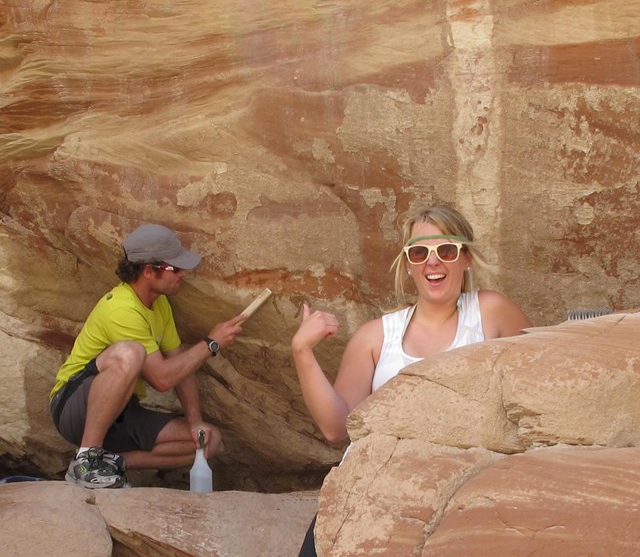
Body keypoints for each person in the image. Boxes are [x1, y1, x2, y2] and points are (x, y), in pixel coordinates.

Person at [291, 203, 532, 555]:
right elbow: (335, 427)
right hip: (375, 486)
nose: (432, 262)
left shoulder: (491, 312)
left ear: (465, 258)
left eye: (445, 250)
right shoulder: (376, 336)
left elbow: (538, 387)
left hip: (459, 487)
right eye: (419, 253)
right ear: (408, 264)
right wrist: (302, 352)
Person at [50, 223, 246, 488]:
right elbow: (162, 379)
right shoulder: (121, 308)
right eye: (174, 268)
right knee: (131, 353)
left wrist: (195, 421)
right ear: (148, 271)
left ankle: (112, 462)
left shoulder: (159, 303)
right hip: (74, 404)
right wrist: (211, 343)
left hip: (122, 412)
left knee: (208, 441)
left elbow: (180, 367)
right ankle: (86, 460)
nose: (183, 274)